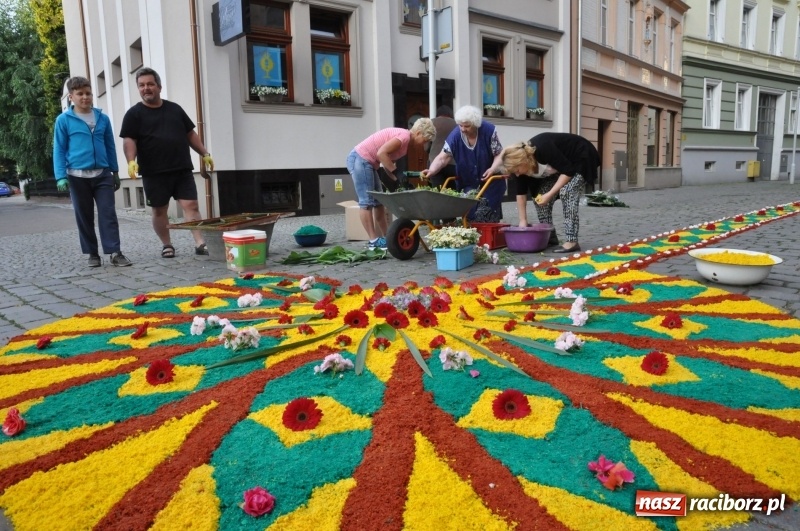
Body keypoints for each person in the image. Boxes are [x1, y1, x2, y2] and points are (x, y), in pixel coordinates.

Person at [119, 67, 214, 258]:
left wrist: (204, 153)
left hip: (181, 168)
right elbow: (129, 140)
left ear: (159, 87)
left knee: (191, 206)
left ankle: (200, 242)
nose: (146, 88)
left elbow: (190, 134)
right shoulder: (134, 114)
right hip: (154, 172)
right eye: (142, 85)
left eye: (150, 84)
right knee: (159, 210)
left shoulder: (175, 109)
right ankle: (167, 245)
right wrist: (131, 161)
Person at [53, 76, 131, 268]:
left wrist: (115, 171)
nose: (85, 97)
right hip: (76, 176)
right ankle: (92, 253)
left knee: (108, 214)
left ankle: (115, 252)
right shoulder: (64, 120)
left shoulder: (102, 118)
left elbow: (110, 146)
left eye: (88, 93)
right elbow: (59, 149)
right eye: (80, 94)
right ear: (71, 96)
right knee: (84, 215)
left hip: (102, 174)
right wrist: (61, 176)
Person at [346, 118, 437, 251]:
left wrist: (398, 180)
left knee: (378, 201)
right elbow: (381, 154)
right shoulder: (404, 137)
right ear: (418, 133)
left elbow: (387, 163)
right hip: (361, 159)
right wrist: (397, 173)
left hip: (369, 163)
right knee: (366, 202)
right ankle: (373, 241)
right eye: (426, 139)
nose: (425, 144)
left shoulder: (404, 142)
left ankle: (387, 237)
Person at [500, 132, 600, 253]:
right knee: (540, 198)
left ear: (522, 161)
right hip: (561, 168)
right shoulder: (519, 170)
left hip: (581, 156)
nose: (516, 174)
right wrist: (523, 221)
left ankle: (572, 241)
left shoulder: (542, 148)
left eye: (517, 170)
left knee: (567, 192)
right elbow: (521, 196)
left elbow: (568, 171)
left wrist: (550, 194)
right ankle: (550, 238)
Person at [422, 105, 506, 222]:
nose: (462, 129)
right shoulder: (455, 135)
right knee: (469, 213)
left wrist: (492, 168)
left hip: (491, 181)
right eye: (460, 125)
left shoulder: (488, 131)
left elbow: (499, 154)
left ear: (475, 124)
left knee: (487, 212)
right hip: (468, 181)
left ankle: (488, 237)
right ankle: (471, 237)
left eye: (466, 126)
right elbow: (442, 157)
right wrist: (431, 170)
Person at [426, 105, 457, 189]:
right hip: (453, 164)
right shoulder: (457, 125)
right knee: (452, 192)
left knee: (437, 192)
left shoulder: (431, 123)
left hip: (434, 163)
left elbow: (426, 147)